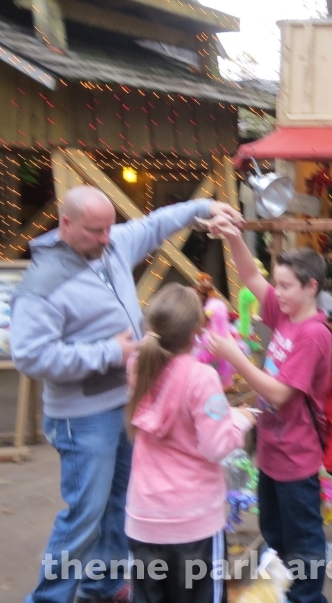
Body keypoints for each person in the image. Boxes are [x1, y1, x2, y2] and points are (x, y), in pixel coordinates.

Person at [10, 185, 240, 603]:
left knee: (120, 500)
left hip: (125, 402)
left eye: (109, 228)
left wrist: (203, 206)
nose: (105, 238)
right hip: (81, 416)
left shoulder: (111, 243)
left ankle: (103, 585)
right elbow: (31, 357)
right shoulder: (40, 285)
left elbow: (156, 224)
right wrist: (109, 353)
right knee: (85, 515)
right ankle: (49, 598)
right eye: (95, 231)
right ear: (65, 224)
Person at [207, 222, 332, 603]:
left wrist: (233, 357)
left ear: (311, 286)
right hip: (273, 451)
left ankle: (308, 598)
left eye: (286, 286)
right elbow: (248, 275)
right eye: (276, 284)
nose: (276, 293)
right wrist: (231, 235)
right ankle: (284, 591)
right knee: (276, 534)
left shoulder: (312, 333)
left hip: (297, 454)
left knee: (304, 540)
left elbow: (280, 394)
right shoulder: (284, 313)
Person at [125, 284, 255, 603]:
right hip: (192, 522)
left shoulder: (137, 366)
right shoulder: (201, 377)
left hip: (144, 518)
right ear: (198, 329)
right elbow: (216, 447)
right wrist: (240, 420)